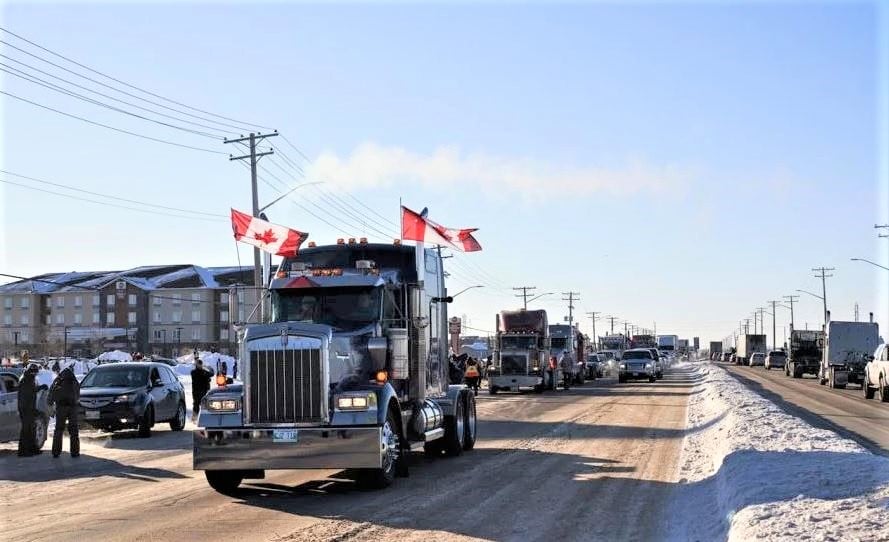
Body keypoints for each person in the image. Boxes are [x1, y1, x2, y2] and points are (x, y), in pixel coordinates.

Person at [49, 364, 80, 458]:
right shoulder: (74, 381)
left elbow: (51, 393)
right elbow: (78, 394)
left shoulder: (58, 380)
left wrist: (50, 403)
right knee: (74, 430)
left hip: (61, 407)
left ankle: (56, 452)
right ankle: (75, 452)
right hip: (72, 408)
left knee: (58, 429)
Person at [17, 363, 44, 457]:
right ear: (31, 372)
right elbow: (27, 394)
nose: (35, 375)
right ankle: (23, 451)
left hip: (30, 407)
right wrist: (29, 409)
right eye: (34, 373)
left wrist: (40, 387)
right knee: (26, 430)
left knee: (32, 429)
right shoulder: (25, 380)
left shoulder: (30, 378)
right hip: (25, 408)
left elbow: (32, 390)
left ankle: (33, 449)